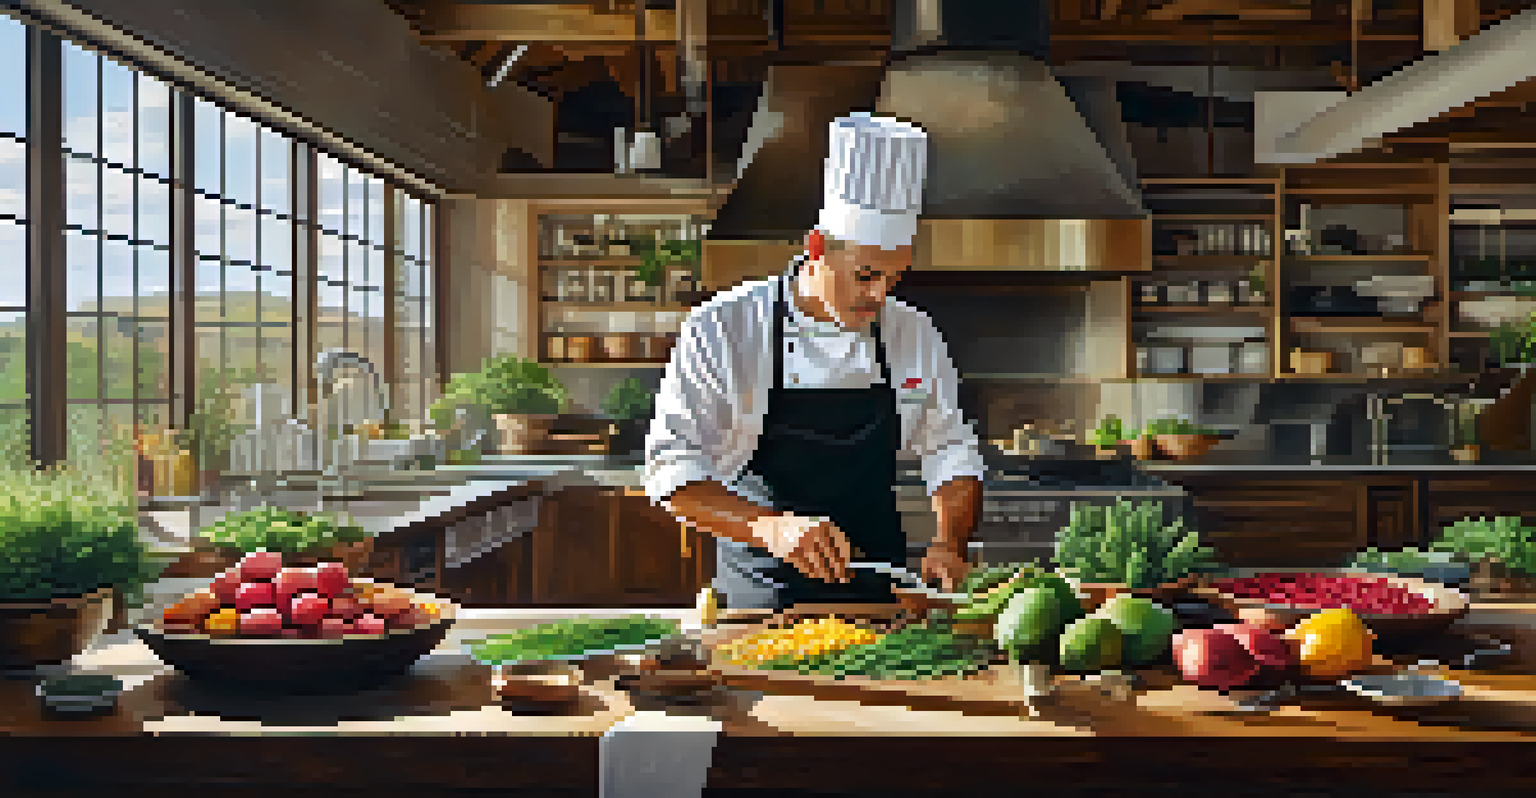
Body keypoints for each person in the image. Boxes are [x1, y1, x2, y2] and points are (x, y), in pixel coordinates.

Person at [642, 112, 985, 611]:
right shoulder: (723, 328)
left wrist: (949, 544)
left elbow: (949, 448)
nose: (878, 297)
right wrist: (770, 527)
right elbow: (671, 469)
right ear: (817, 247)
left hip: (877, 599)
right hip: (760, 603)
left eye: (893, 279)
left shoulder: (912, 332)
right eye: (865, 275)